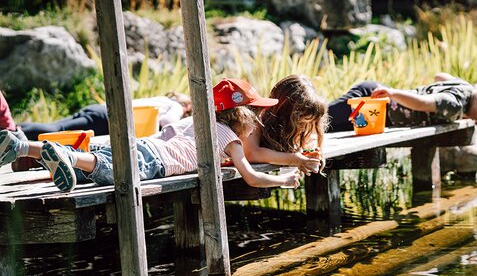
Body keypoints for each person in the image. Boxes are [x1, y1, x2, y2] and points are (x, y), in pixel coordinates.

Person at [0, 78, 300, 192]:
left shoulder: (196, 122)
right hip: (155, 162)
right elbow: (251, 177)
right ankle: (63, 155)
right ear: (241, 115)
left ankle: (23, 146)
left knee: (98, 161)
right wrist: (283, 179)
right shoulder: (229, 138)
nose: (259, 120)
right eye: (256, 113)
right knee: (107, 169)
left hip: (144, 145)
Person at [327, 72, 477, 132]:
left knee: (327, 128)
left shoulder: (464, 88)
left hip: (375, 113)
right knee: (321, 117)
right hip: (370, 99)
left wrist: (456, 84)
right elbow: (422, 103)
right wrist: (393, 93)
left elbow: (439, 76)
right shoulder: (453, 105)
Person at [242, 74, 328, 175]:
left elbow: (309, 140)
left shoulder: (292, 127)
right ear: (283, 114)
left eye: (307, 124)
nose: (302, 128)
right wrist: (293, 159)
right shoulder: (255, 117)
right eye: (300, 123)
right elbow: (251, 153)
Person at [18, 92, 193, 140]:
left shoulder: (161, 100)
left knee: (58, 126)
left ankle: (15, 130)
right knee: (56, 130)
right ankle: (12, 130)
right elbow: (167, 122)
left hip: (100, 110)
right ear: (187, 106)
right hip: (107, 119)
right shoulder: (177, 106)